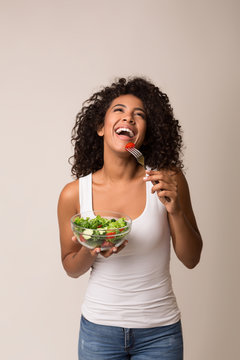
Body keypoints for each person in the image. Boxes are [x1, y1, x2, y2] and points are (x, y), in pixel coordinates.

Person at [57, 77, 203, 360]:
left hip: (160, 333)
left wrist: (175, 210)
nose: (129, 117)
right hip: (99, 332)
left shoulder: (167, 180)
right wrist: (92, 251)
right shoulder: (74, 194)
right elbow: (71, 267)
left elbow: (191, 258)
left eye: (140, 114)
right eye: (119, 110)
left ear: (145, 134)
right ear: (100, 127)